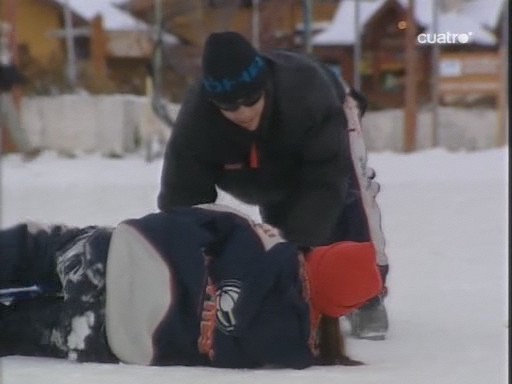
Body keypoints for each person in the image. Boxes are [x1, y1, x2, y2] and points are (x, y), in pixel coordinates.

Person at [157, 31, 389, 339]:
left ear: (264, 85)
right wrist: (191, 279)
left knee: (348, 199)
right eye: (229, 106)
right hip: (263, 171)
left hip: (327, 126)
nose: (242, 113)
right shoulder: (196, 124)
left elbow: (324, 182)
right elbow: (183, 203)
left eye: (251, 100)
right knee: (280, 222)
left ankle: (368, 296)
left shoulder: (306, 94)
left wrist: (295, 252)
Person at [0, 205, 382, 368]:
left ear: (321, 253)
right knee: (20, 332)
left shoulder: (259, 237)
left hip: (118, 256)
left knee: (30, 250)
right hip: (118, 335)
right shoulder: (293, 350)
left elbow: (190, 217)